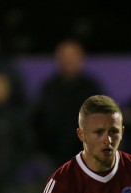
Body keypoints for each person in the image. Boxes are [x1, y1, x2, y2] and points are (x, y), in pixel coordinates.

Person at [33, 39, 106, 168]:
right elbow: (39, 120)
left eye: (72, 56)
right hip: (52, 157)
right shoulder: (49, 88)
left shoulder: (92, 88)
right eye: (64, 57)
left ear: (81, 58)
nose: (68, 61)